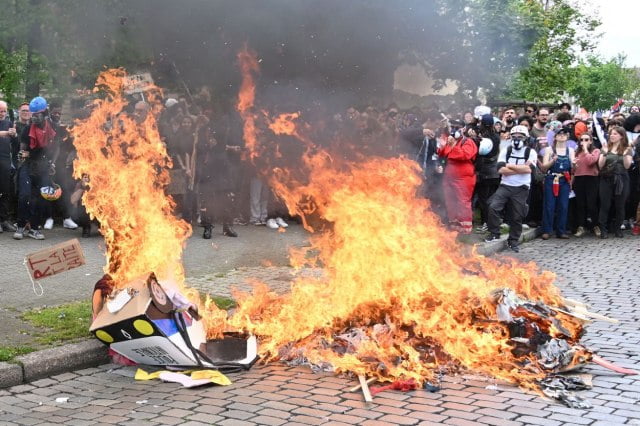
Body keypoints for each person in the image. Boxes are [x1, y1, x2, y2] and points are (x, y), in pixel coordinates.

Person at [485, 125, 537, 252]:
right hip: (505, 185)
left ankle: (513, 241)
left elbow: (529, 169)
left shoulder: (530, 152)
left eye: (520, 137)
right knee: (493, 206)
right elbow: (501, 170)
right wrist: (519, 168)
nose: (517, 139)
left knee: (517, 216)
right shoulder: (505, 150)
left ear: (525, 138)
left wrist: (509, 166)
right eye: (514, 137)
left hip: (522, 188)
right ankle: (494, 232)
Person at [14, 96, 58, 240]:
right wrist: (22, 155)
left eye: (37, 114)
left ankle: (34, 228)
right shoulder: (27, 129)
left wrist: (52, 163)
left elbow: (56, 148)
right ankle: (20, 226)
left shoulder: (52, 128)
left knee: (40, 198)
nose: (34, 117)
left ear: (45, 113)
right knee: (24, 195)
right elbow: (22, 150)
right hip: (28, 165)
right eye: (33, 114)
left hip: (43, 167)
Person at [437, 119, 478, 234]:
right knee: (451, 201)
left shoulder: (468, 142)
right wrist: (443, 144)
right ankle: (454, 226)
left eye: (457, 127)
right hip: (449, 175)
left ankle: (465, 229)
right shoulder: (449, 140)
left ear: (463, 129)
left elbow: (465, 155)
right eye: (453, 126)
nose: (455, 129)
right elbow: (441, 152)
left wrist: (453, 145)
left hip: (464, 177)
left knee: (463, 202)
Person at [597, 126, 634, 238]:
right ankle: (603, 229)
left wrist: (625, 154)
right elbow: (600, 165)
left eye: (615, 134)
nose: (612, 136)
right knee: (605, 204)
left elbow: (627, 166)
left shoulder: (627, 149)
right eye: (611, 134)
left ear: (621, 136)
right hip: (607, 178)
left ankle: (618, 229)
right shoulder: (605, 147)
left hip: (621, 179)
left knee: (620, 205)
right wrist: (604, 152)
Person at [539, 127, 575, 239]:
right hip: (551, 179)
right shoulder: (549, 150)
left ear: (567, 136)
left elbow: (573, 169)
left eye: (564, 134)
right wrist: (552, 160)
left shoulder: (571, 151)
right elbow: (544, 168)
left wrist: (575, 164)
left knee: (563, 205)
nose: (562, 135)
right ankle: (547, 230)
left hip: (564, 180)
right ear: (555, 137)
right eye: (559, 134)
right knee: (549, 205)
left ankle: (561, 230)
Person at [474, 114, 501, 232]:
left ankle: (486, 222)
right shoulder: (496, 136)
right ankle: (493, 221)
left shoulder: (483, 138)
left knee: (483, 199)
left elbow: (481, 153)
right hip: (495, 171)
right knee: (491, 199)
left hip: (484, 172)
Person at [572, 133, 600, 237]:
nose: (584, 142)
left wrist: (586, 150)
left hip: (591, 178)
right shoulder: (576, 153)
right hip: (579, 178)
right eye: (582, 140)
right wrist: (574, 165)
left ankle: (595, 225)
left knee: (592, 204)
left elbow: (590, 161)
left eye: (586, 139)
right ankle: (581, 226)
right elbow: (574, 170)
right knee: (580, 204)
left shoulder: (595, 151)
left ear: (591, 141)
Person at [0, 101, 18, 233]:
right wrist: (4, 133)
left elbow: (16, 143)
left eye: (4, 111)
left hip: (5, 160)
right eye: (0, 110)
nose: (2, 113)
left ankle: (4, 220)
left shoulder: (9, 123)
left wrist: (15, 134)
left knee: (6, 191)